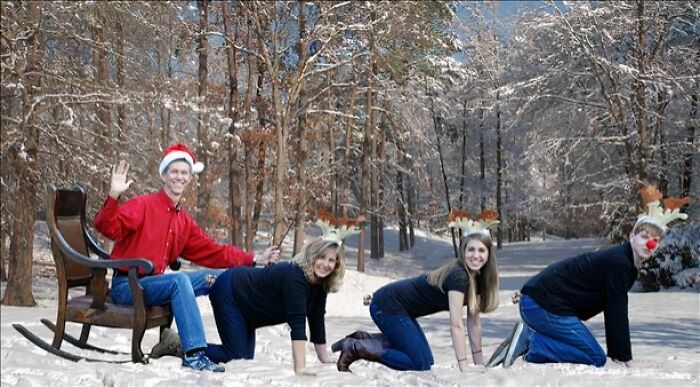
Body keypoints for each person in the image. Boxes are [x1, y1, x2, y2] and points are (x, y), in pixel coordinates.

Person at [94, 143, 280, 372]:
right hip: (128, 286)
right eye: (174, 171)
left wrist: (253, 259)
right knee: (179, 281)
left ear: (190, 178)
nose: (179, 177)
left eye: (184, 172)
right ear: (163, 176)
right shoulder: (143, 205)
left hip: (155, 285)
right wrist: (114, 194)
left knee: (223, 277)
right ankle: (194, 354)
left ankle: (236, 347)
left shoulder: (183, 221)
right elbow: (107, 227)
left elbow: (213, 251)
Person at [487, 186, 689, 369]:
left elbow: (612, 305)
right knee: (594, 356)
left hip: (542, 304)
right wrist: (622, 356)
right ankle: (530, 342)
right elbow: (616, 309)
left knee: (585, 350)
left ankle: (529, 342)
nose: (650, 244)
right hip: (541, 305)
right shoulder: (620, 263)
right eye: (644, 237)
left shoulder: (624, 261)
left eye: (655, 240)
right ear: (632, 237)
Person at [334, 210, 501, 372]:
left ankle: (363, 339)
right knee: (419, 363)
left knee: (425, 360)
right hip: (387, 305)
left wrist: (479, 365)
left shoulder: (478, 278)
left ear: (488, 254)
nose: (475, 255)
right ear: (463, 252)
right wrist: (464, 365)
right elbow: (456, 325)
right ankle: (356, 347)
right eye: (470, 249)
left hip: (398, 308)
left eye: (481, 250)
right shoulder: (459, 276)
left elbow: (474, 324)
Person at [200, 217, 359, 375]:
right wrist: (300, 369)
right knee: (234, 356)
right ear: (312, 255)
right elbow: (297, 324)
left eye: (331, 260)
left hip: (249, 307)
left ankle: (194, 349)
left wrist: (323, 357)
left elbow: (316, 319)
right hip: (231, 291)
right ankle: (188, 349)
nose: (326, 264)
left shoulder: (320, 284)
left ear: (337, 265)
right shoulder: (295, 278)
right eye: (322, 257)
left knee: (244, 360)